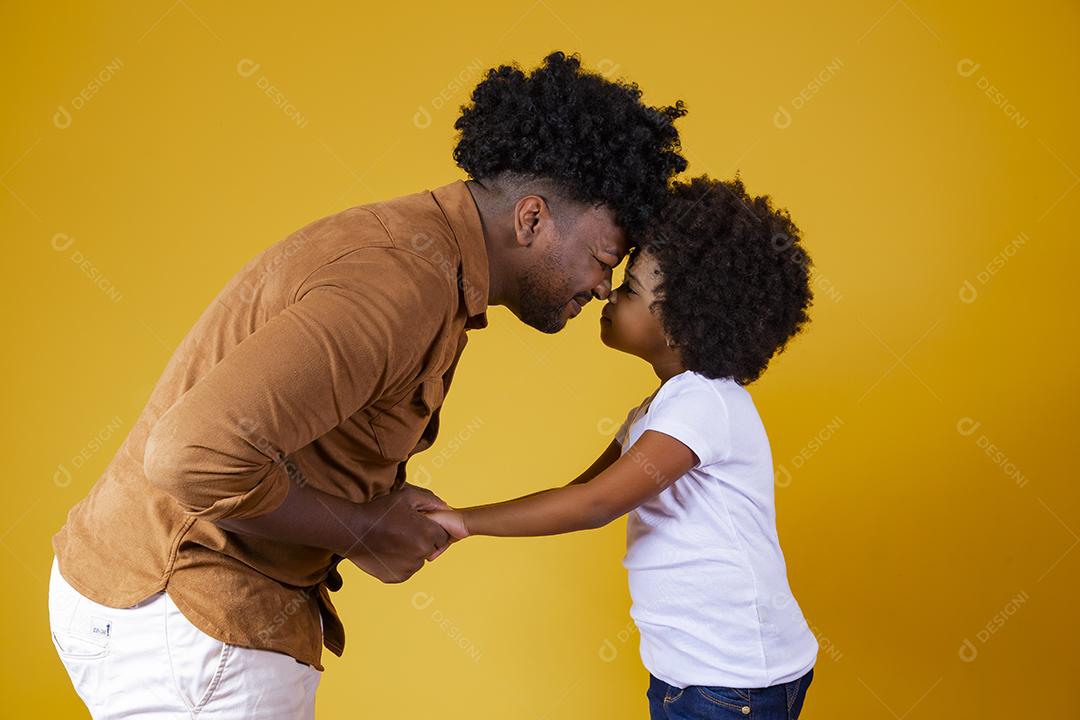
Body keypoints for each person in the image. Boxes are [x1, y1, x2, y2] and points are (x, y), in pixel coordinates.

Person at [47, 50, 687, 718]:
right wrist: (359, 528)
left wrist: (371, 506)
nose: (601, 288)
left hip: (167, 612)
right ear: (531, 219)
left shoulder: (424, 255)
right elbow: (192, 455)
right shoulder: (401, 282)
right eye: (603, 260)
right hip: (189, 623)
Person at [425, 175, 819, 720]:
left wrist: (466, 523)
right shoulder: (660, 408)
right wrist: (455, 517)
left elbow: (595, 506)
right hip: (694, 673)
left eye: (630, 288)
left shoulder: (702, 404)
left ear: (685, 324)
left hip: (732, 683)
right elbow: (581, 492)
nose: (607, 291)